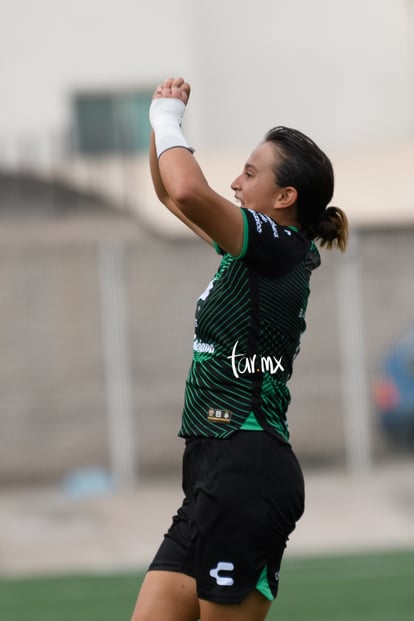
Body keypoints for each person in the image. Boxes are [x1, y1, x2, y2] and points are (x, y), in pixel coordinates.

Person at [131, 76, 348, 621]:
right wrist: (158, 120)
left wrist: (169, 118)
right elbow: (167, 189)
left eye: (249, 174)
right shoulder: (252, 250)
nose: (234, 182)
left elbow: (187, 190)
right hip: (211, 468)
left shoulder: (280, 248)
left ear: (285, 198)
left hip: (246, 464)